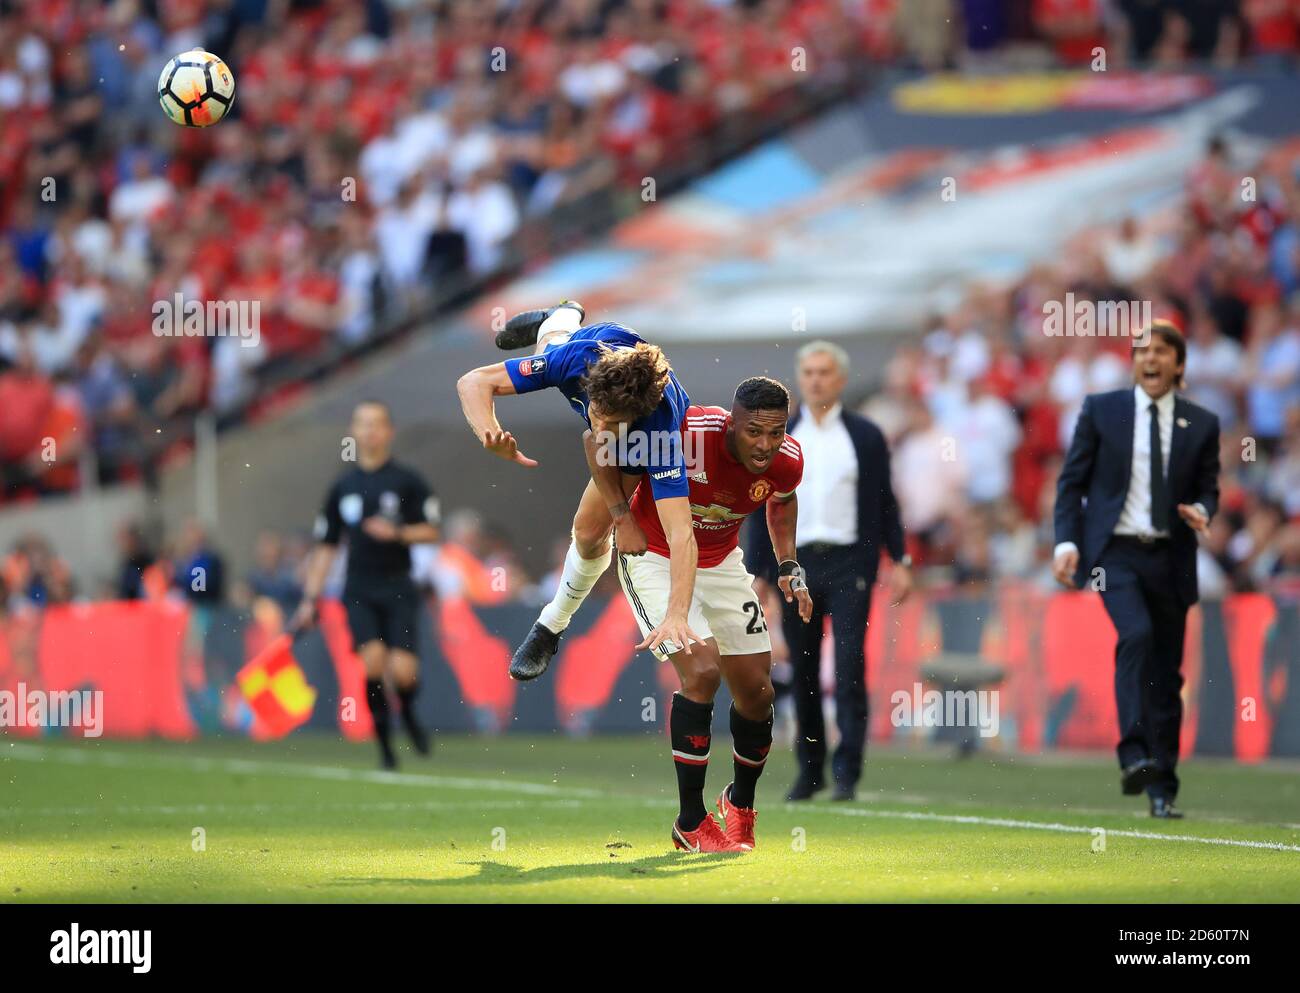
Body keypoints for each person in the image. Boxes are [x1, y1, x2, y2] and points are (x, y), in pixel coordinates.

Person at [618, 378, 811, 852]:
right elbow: (605, 449)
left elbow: (782, 504)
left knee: (757, 692)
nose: (765, 445)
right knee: (701, 671)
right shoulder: (687, 433)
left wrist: (788, 562)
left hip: (722, 562)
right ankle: (690, 820)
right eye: (754, 432)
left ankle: (739, 804)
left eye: (776, 431)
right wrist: (619, 516)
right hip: (656, 557)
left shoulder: (788, 458)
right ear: (731, 420)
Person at [457, 301, 699, 679]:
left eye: (613, 420)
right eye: (597, 411)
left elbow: (681, 532)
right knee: (552, 350)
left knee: (595, 524)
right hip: (588, 346)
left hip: (646, 436)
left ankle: (549, 625)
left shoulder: (660, 430)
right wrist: (488, 433)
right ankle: (562, 316)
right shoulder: (575, 364)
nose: (601, 424)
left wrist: (677, 614)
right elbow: (473, 382)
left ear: (635, 415)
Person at [1053, 320, 1220, 818]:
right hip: (1115, 555)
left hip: (1171, 557)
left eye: (1162, 351)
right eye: (1142, 350)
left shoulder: (1202, 423)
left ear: (1179, 364)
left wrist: (1204, 511)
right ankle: (1132, 752)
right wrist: (1066, 542)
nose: (1151, 358)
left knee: (1167, 676)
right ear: (1133, 362)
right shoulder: (1101, 410)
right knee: (1137, 636)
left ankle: (1162, 788)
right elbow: (1071, 482)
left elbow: (1210, 486)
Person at [748, 341, 911, 803]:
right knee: (801, 671)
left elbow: (886, 501)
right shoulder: (781, 436)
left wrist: (900, 559)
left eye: (825, 372)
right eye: (809, 372)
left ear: (840, 379)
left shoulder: (864, 435)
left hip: (850, 562)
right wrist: (759, 570)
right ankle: (810, 768)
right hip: (795, 565)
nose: (816, 380)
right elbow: (761, 501)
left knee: (849, 667)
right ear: (800, 379)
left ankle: (848, 771)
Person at [292, 400, 442, 769]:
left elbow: (432, 530)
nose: (370, 430)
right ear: (353, 432)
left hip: (398, 585)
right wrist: (310, 598)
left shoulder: (408, 480)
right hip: (358, 589)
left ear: (389, 431)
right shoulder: (342, 487)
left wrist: (398, 532)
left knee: (404, 670)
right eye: (363, 423)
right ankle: (385, 748)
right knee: (373, 663)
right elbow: (325, 547)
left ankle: (407, 714)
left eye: (377, 424)